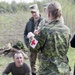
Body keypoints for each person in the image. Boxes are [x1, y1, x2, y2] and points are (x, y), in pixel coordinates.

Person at [27, 1, 71, 75]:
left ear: (49, 14)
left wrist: (31, 37)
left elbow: (32, 48)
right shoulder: (67, 30)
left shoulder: (44, 30)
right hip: (64, 70)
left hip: (47, 71)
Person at [24, 4, 43, 75]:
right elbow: (25, 34)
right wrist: (27, 44)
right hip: (32, 45)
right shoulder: (29, 23)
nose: (33, 14)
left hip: (42, 46)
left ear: (38, 11)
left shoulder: (44, 21)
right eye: (32, 12)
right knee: (32, 63)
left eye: (35, 12)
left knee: (42, 63)